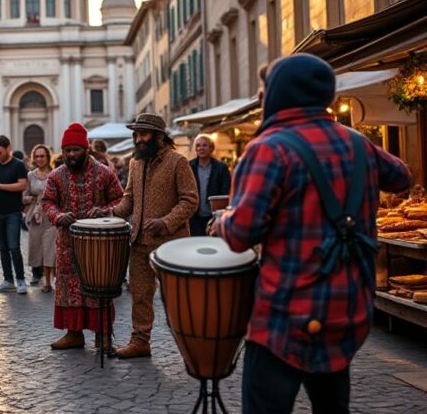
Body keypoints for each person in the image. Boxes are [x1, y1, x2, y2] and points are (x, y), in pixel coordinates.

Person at [210, 55, 411, 414]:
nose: (260, 97)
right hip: (347, 309)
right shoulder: (358, 144)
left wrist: (222, 219)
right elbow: (401, 178)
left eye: (264, 90)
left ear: (280, 93)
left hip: (285, 314)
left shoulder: (269, 148)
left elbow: (240, 235)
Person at [111, 113, 198, 359]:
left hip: (170, 244)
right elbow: (129, 198)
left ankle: (193, 342)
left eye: (144, 134)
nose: (138, 139)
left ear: (159, 137)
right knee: (140, 295)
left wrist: (166, 222)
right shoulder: (135, 163)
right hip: (139, 241)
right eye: (136, 134)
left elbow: (190, 200)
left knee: (177, 297)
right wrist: (112, 212)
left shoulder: (178, 162)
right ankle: (140, 341)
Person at [42, 125, 125, 351]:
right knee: (69, 287)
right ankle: (74, 333)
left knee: (99, 286)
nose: (70, 154)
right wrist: (58, 216)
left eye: (75, 150)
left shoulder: (104, 173)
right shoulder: (56, 176)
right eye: (66, 150)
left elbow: (120, 200)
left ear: (86, 149)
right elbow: (47, 202)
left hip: (99, 244)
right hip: (67, 242)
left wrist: (105, 211)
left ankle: (103, 335)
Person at [0, 135, 29, 294]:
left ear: (8, 148)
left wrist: (0, 186)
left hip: (13, 213)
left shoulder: (18, 165)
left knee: (14, 247)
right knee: (2, 249)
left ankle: (21, 280)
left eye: (0, 152)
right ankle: (8, 280)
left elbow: (22, 185)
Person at [24, 145, 56, 291]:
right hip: (35, 215)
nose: (39, 159)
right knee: (36, 245)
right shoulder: (30, 175)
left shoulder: (55, 174)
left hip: (50, 215)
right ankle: (37, 273)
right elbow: (24, 196)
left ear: (48, 157)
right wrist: (30, 198)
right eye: (36, 156)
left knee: (50, 247)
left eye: (42, 156)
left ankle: (48, 282)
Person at [189, 134, 231, 236]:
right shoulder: (189, 166)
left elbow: (225, 191)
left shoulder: (221, 167)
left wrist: (220, 213)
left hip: (214, 217)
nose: (201, 148)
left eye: (204, 145)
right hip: (194, 216)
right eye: (198, 145)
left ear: (212, 148)